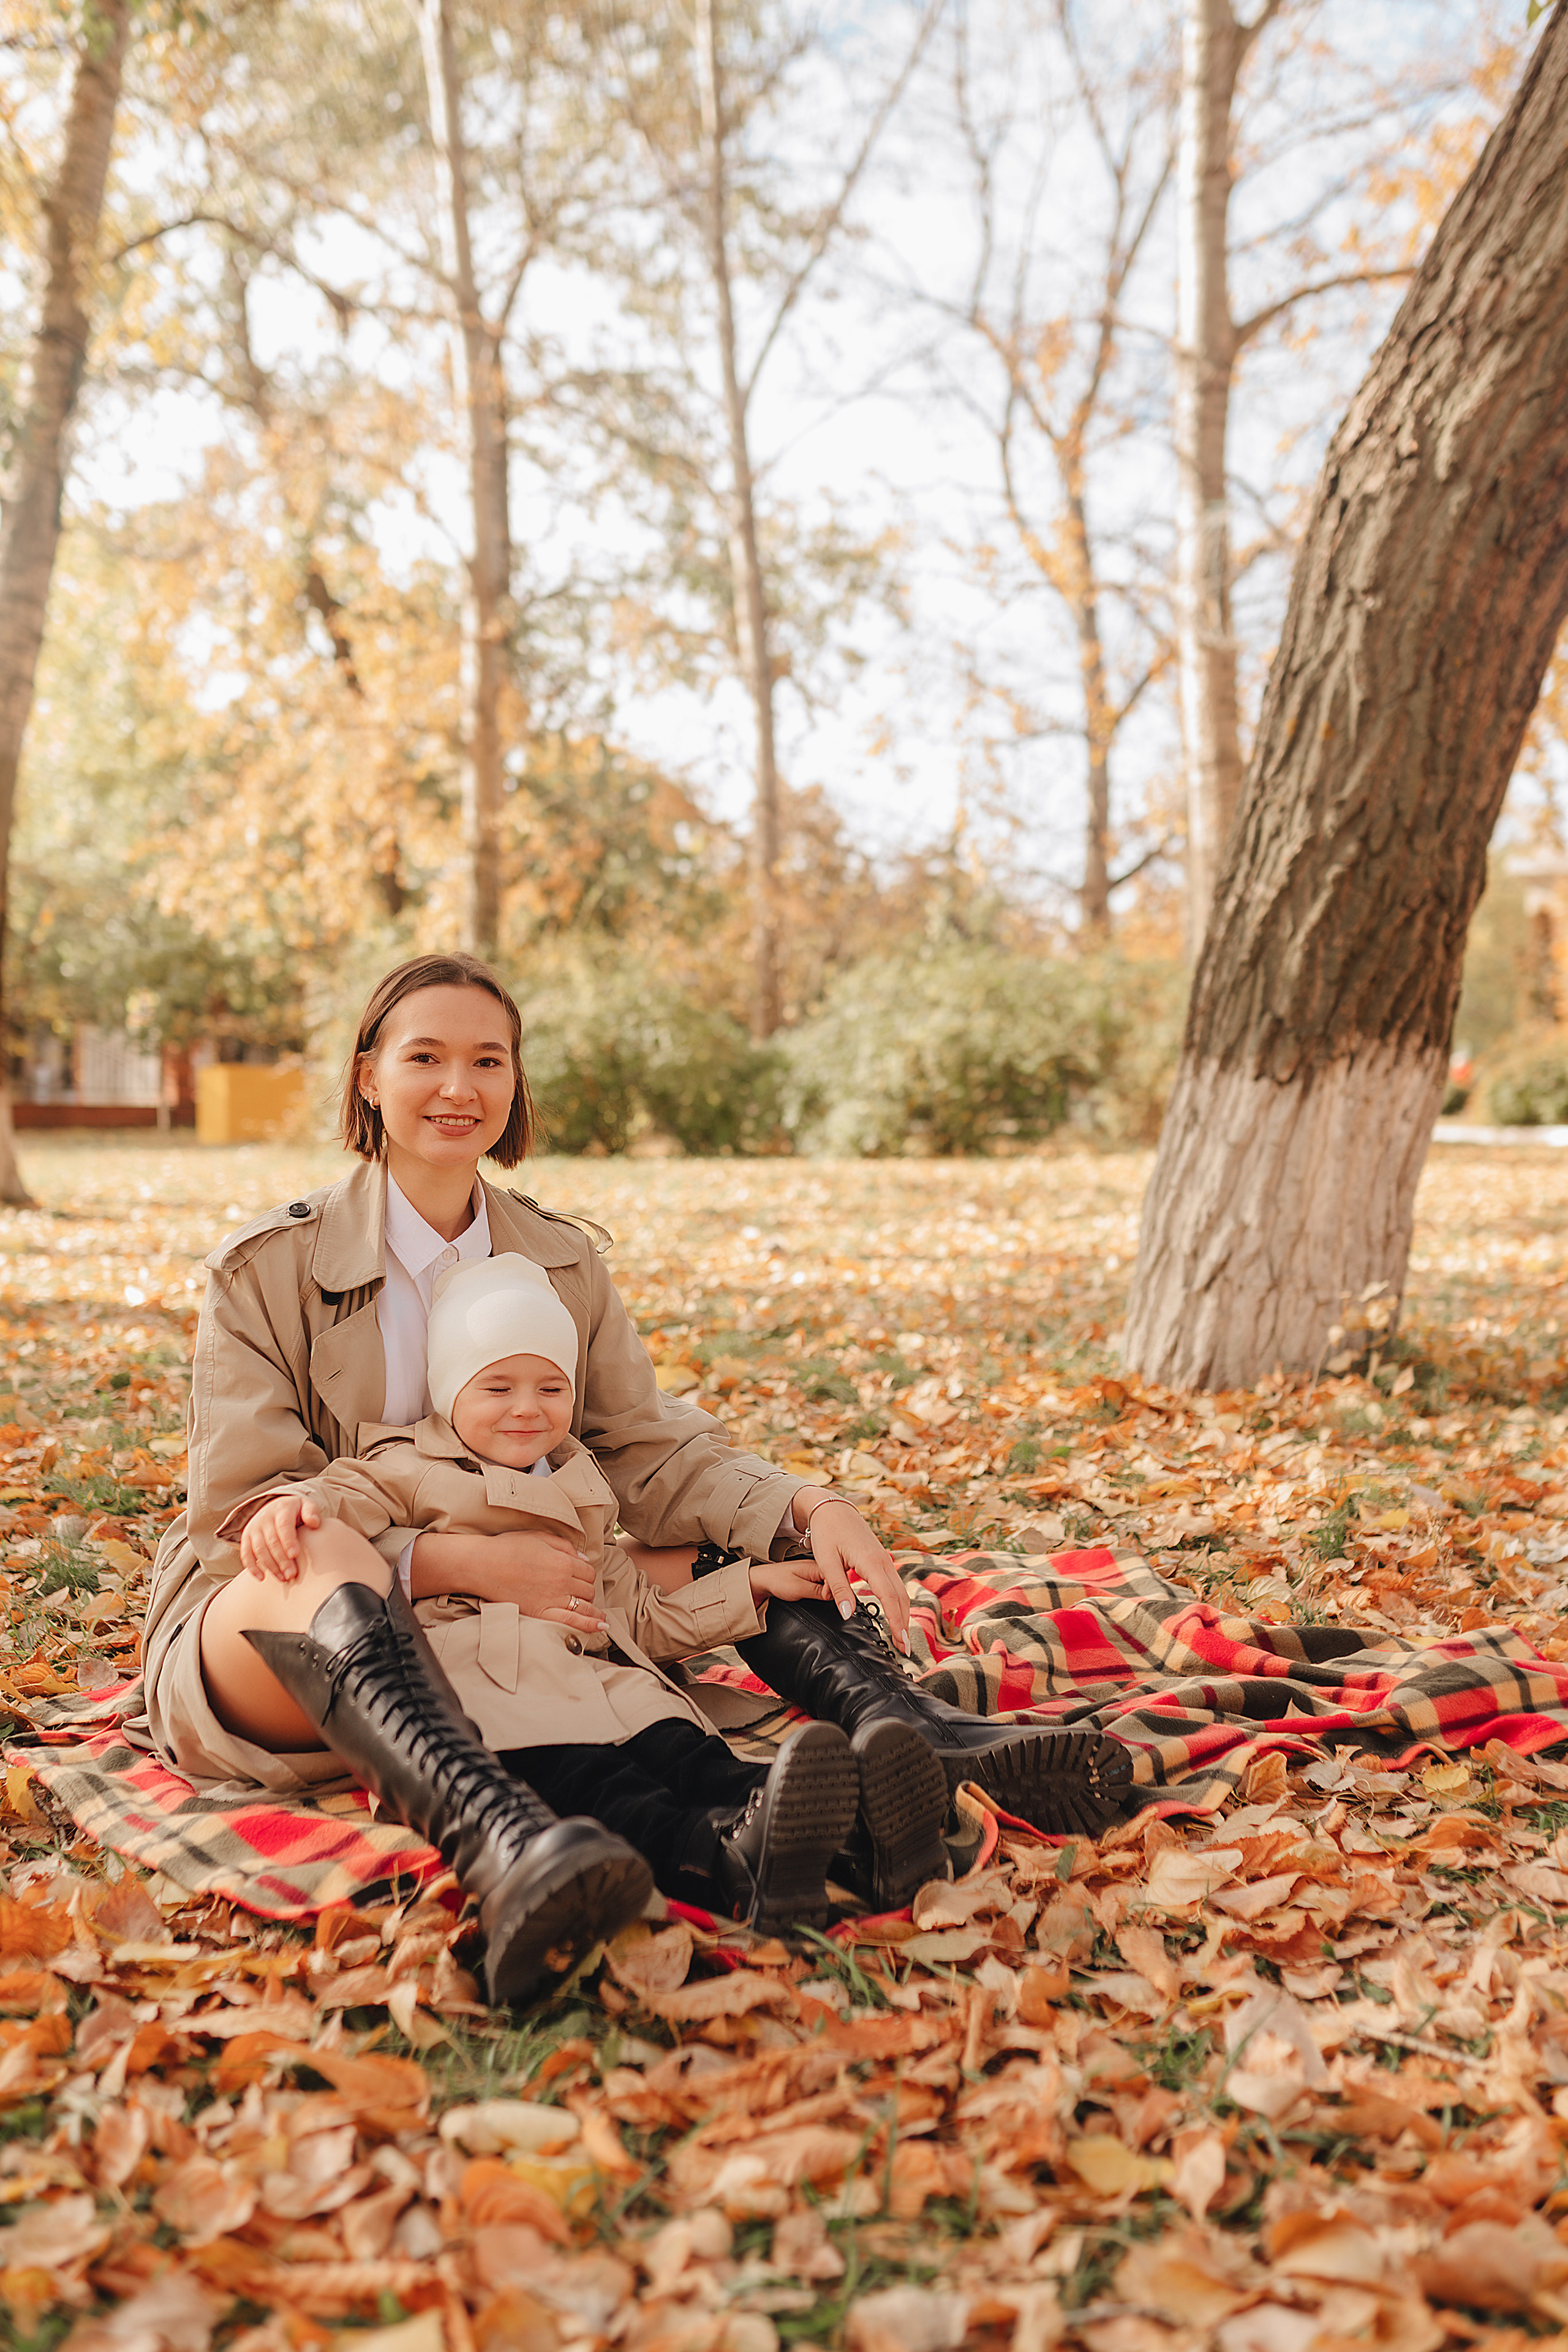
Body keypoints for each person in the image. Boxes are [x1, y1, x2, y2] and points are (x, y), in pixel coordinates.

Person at [138, 952, 1127, 1999]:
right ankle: (503, 1839)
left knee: (740, 1533)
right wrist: (449, 1559)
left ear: (516, 1084)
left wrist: (806, 1505)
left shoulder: (559, 1260)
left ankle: (910, 1740)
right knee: (320, 1543)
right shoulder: (265, 1269)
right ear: (369, 1077)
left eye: (489, 1060)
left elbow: (645, 1452)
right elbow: (245, 1517)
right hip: (286, 1627)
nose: (459, 1087)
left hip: (517, 1626)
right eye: (425, 1057)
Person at [225, 1252, 952, 1957]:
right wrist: (289, 1502)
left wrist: (748, 1588)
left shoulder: (581, 1480)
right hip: (500, 1690)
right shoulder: (407, 1465)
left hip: (608, 1680)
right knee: (613, 1792)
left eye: (549, 1388)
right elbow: (340, 1498)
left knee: (698, 1760)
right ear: (450, 1391)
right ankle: (725, 1863)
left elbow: (632, 1611)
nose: (526, 1409)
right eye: (497, 1387)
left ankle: (862, 1838)